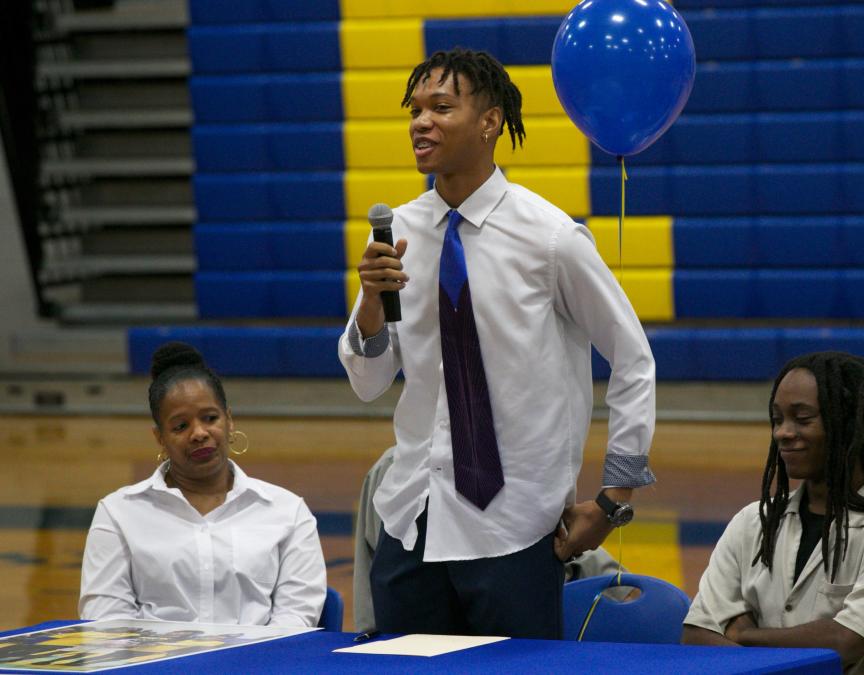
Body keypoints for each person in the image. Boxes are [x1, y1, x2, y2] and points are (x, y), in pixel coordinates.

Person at [338, 48, 656, 639]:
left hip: (514, 524)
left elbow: (633, 356)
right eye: (414, 109)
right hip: (414, 516)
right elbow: (369, 381)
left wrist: (613, 500)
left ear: (489, 123)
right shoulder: (400, 230)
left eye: (441, 107)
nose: (420, 122)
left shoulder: (552, 238)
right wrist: (372, 302)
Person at [683, 351, 864, 673]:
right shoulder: (753, 521)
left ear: (849, 423)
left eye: (802, 418)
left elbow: (844, 643)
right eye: (777, 419)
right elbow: (697, 635)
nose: (783, 432)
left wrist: (743, 635)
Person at [79, 342, 326, 627]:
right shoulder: (118, 513)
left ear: (229, 420)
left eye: (210, 418)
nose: (199, 433)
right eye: (180, 426)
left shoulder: (288, 511)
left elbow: (296, 617)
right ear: (160, 437)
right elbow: (107, 623)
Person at [351, 447, 629, 633]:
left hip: (515, 617)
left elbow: (576, 553)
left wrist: (613, 502)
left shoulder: (522, 463)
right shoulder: (393, 471)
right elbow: (371, 592)